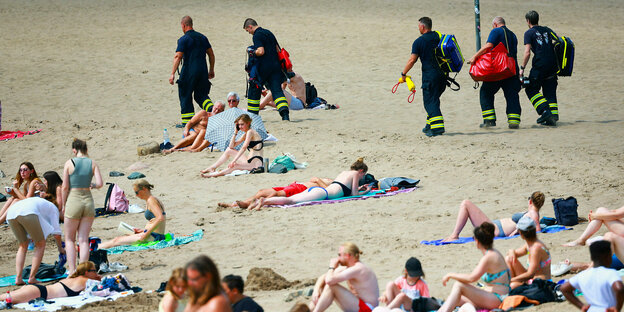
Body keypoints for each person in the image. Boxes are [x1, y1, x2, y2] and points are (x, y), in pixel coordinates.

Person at [437, 222, 511, 311]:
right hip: (494, 295)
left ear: (477, 241)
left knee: (459, 285)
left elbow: (472, 278)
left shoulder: (489, 257)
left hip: (498, 298)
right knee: (458, 299)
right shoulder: (494, 253)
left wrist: (450, 275)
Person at [253, 158, 372, 209]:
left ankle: (261, 202)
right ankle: (264, 201)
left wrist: (360, 187)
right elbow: (354, 194)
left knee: (292, 198)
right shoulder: (356, 174)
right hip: (322, 193)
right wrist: (366, 191)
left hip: (320, 191)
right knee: (291, 200)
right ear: (361, 171)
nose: (362, 177)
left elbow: (344, 187)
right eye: (363, 175)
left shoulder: (344, 173)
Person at [468, 17, 522, 129]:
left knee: (485, 92)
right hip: (511, 70)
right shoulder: (512, 34)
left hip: (498, 70)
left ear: (495, 24)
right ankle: (514, 121)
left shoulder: (496, 31)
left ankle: (489, 120)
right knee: (511, 95)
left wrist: (475, 56)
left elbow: (489, 46)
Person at [398, 17, 447, 137]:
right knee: (434, 100)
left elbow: (412, 60)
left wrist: (403, 74)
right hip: (444, 75)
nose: (418, 28)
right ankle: (429, 125)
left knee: (429, 101)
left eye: (419, 26)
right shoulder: (438, 36)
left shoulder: (419, 41)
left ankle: (437, 128)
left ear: (423, 27)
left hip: (430, 76)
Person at [62, 139, 103, 275]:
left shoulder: (70, 163)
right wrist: (93, 185)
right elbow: (100, 183)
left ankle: (72, 270)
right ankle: (83, 271)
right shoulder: (92, 163)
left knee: (69, 239)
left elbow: (65, 186)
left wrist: (63, 204)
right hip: (88, 200)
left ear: (74, 150)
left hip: (74, 199)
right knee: (83, 239)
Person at [6, 196, 65, 285]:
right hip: (27, 212)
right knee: (40, 244)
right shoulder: (53, 208)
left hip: (11, 213)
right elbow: (56, 234)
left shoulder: (39, 203)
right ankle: (32, 277)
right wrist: (60, 248)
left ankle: (18, 278)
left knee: (22, 245)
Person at [442, 191, 544, 242]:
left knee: (466, 203)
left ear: (530, 201)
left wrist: (514, 233)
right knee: (466, 204)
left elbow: (537, 230)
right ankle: (455, 235)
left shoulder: (533, 214)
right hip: (494, 227)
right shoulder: (531, 213)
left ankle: (454, 235)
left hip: (495, 230)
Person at [169, 15, 216, 125]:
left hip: (189, 71)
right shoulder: (203, 37)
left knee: (185, 95)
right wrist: (211, 69)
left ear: (184, 25)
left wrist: (172, 73)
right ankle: (213, 110)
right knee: (201, 95)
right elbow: (211, 55)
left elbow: (178, 56)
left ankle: (188, 123)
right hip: (202, 70)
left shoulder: (183, 39)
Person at [309, 242, 379, 312]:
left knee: (332, 286)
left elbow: (329, 280)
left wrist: (332, 267)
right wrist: (316, 290)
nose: (337, 258)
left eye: (339, 255)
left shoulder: (358, 268)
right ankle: (307, 310)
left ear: (347, 256)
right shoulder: (349, 267)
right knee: (322, 287)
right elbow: (324, 277)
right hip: (358, 305)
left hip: (368, 309)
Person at [243, 18, 290, 121]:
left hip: (263, 68)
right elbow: (278, 49)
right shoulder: (269, 33)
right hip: (276, 67)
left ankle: (253, 116)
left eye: (248, 31)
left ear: (250, 27)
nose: (249, 33)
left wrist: (252, 52)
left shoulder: (257, 35)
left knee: (254, 90)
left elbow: (261, 51)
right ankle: (285, 114)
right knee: (277, 91)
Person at [99, 180, 166, 249]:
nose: (136, 195)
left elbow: (160, 218)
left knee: (117, 240)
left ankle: (94, 248)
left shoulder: (151, 200)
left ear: (144, 189)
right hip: (152, 234)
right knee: (119, 238)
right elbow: (155, 220)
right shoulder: (152, 200)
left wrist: (146, 234)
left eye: (137, 192)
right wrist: (143, 230)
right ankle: (95, 247)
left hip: (154, 236)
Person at [520, 10, 558, 126]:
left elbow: (527, 53)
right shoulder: (547, 29)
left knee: (531, 88)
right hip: (552, 65)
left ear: (528, 21)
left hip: (540, 64)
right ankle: (553, 116)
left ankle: (545, 111)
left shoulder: (529, 33)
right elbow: (559, 40)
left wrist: (522, 68)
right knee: (549, 90)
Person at [561, 240, 624, 311]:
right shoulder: (611, 273)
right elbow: (619, 289)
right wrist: (617, 308)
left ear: (591, 257)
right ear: (609, 257)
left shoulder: (583, 275)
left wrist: (581, 306)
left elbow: (564, 288)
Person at [0, 261, 101, 305]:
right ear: (87, 272)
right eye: (94, 271)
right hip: (38, 292)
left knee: (6, 297)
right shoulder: (84, 280)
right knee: (5, 298)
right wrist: (98, 279)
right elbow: (103, 285)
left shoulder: (73, 277)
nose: (96, 273)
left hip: (38, 290)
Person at [200, 114, 264, 178]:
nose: (240, 126)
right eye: (239, 125)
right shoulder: (246, 134)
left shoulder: (251, 132)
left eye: (242, 124)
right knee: (228, 150)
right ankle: (212, 167)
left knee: (235, 165)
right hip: (249, 160)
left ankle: (214, 175)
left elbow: (244, 148)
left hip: (255, 163)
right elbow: (231, 146)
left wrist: (234, 161)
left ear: (248, 123)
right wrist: (235, 132)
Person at [218, 177, 333, 210]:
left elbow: (329, 190)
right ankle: (235, 204)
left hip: (300, 188)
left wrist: (318, 180)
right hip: (295, 185)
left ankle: (248, 204)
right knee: (261, 192)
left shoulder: (334, 183)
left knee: (273, 194)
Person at [505, 215, 551, 288]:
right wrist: (511, 251)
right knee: (509, 259)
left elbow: (530, 274)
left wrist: (512, 280)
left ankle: (508, 285)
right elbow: (515, 253)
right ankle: (508, 286)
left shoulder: (536, 248)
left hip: (541, 284)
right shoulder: (530, 244)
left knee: (513, 285)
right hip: (531, 280)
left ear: (521, 233)